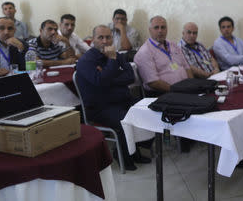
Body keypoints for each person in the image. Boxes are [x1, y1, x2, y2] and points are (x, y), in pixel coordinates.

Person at [76, 25, 150, 171]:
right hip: (100, 107)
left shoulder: (117, 55)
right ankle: (123, 154)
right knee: (125, 119)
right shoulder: (86, 60)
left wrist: (109, 76)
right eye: (100, 37)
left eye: (108, 37)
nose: (105, 41)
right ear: (93, 40)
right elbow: (100, 81)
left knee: (147, 110)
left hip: (121, 100)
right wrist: (111, 63)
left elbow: (130, 76)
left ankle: (135, 150)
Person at [134, 16, 193, 95]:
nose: (160, 31)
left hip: (185, 89)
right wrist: (178, 91)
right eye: (156, 28)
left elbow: (187, 67)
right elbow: (153, 82)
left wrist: (192, 86)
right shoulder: (144, 52)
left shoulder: (173, 45)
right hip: (164, 93)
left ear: (167, 29)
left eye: (163, 27)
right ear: (150, 30)